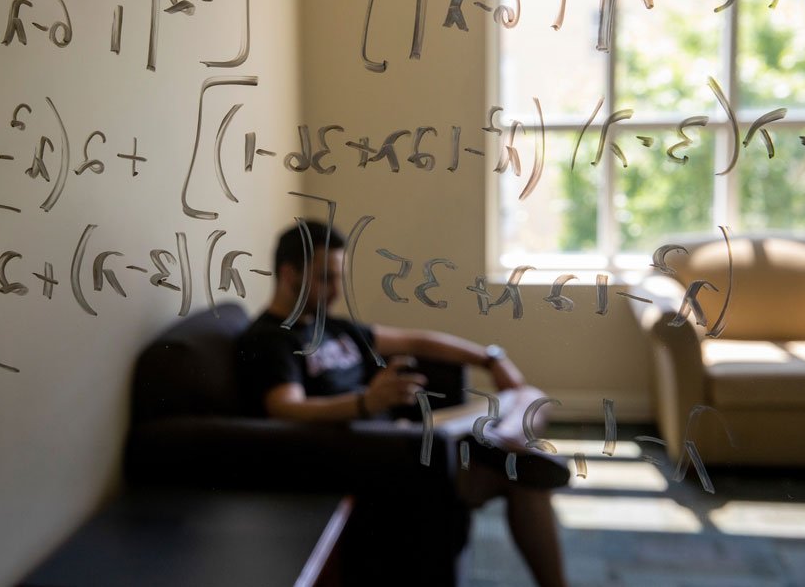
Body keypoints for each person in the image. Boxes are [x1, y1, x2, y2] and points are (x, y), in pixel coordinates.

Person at [236, 221, 569, 587]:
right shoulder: (270, 340)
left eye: (338, 278)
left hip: (416, 435)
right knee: (525, 479)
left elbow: (417, 341)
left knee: (529, 396)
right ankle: (505, 444)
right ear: (288, 274)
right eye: (325, 279)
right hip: (390, 449)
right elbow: (285, 408)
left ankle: (504, 442)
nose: (335, 291)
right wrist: (364, 403)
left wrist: (491, 358)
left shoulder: (332, 327)